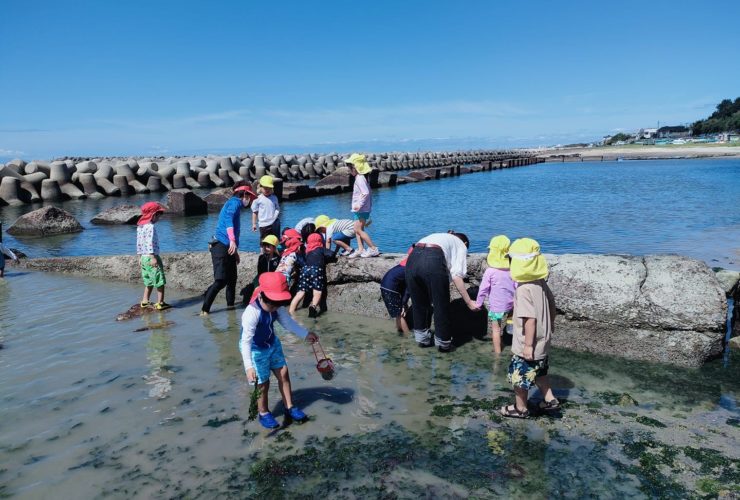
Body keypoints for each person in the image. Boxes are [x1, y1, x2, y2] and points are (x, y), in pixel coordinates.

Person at [240, 272, 319, 429]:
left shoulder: (277, 306)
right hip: (256, 350)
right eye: (272, 305)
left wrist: (305, 334)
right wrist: (248, 367)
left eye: (278, 305)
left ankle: (289, 406)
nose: (274, 309)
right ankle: (263, 412)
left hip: (272, 344)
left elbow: (288, 323)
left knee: (283, 373)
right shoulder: (251, 312)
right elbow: (245, 342)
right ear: (262, 296)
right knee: (263, 383)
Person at [500, 238, 559, 419]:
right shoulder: (540, 282)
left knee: (519, 377)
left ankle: (520, 408)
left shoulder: (523, 289)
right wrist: (551, 324)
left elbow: (530, 319)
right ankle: (550, 399)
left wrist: (527, 346)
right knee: (540, 371)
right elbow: (552, 304)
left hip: (529, 343)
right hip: (543, 340)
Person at [405, 231, 479, 352]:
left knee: (419, 304)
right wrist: (469, 302)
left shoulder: (441, 237)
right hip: (433, 259)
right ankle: (443, 345)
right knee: (441, 305)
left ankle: (422, 341)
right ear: (465, 243)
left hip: (413, 257)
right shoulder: (461, 245)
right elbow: (456, 276)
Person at [201, 182, 258, 315]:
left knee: (232, 279)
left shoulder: (236, 205)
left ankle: (230, 309)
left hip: (229, 246)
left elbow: (235, 229)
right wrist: (232, 240)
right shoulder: (234, 203)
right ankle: (204, 310)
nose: (250, 200)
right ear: (244, 194)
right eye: (249, 196)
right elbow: (228, 220)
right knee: (221, 281)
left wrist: (235, 251)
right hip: (220, 245)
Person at [476, 235, 517, 354]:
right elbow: (517, 286)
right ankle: (513, 348)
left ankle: (498, 354)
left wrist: (478, 303)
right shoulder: (513, 269)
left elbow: (483, 289)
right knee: (513, 327)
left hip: (496, 307)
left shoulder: (490, 271)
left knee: (496, 329)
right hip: (512, 305)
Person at [345, 153, 380, 258]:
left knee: (358, 229)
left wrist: (359, 205)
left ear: (356, 167)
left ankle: (373, 249)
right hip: (360, 209)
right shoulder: (360, 177)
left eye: (350, 168)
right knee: (357, 229)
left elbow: (365, 193)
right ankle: (361, 249)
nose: (349, 170)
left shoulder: (360, 178)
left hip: (362, 209)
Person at [136, 202, 169, 309]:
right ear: (153, 215)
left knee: (148, 281)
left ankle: (145, 301)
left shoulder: (140, 227)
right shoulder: (150, 227)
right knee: (159, 280)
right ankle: (160, 303)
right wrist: (152, 257)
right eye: (159, 215)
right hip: (151, 257)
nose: (159, 218)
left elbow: (139, 243)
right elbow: (149, 242)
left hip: (143, 257)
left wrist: (139, 257)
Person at [289, 233, 328, 318]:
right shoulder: (320, 249)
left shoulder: (307, 251)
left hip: (305, 270)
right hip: (316, 270)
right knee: (317, 291)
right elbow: (331, 254)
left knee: (300, 292)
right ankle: (313, 307)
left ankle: (291, 311)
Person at [240, 234, 281, 306]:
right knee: (253, 288)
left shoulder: (278, 259)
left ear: (274, 248)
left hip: (273, 279)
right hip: (261, 277)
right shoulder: (261, 258)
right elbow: (260, 272)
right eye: (264, 246)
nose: (265, 248)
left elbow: (278, 273)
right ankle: (249, 304)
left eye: (268, 246)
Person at [380, 248, 413, 334]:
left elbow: (405, 285)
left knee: (398, 313)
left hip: (386, 285)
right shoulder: (411, 268)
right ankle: (407, 336)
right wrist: (404, 303)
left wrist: (403, 303)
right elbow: (409, 288)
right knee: (399, 314)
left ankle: (400, 332)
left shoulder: (405, 263)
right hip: (390, 288)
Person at [251, 175, 281, 240]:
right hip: (264, 224)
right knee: (264, 241)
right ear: (260, 187)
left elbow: (277, 208)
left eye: (269, 188)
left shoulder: (274, 198)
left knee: (275, 240)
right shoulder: (257, 199)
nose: (267, 190)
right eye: (265, 188)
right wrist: (254, 224)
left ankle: (276, 247)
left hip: (274, 223)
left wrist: (275, 217)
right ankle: (264, 247)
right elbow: (255, 212)